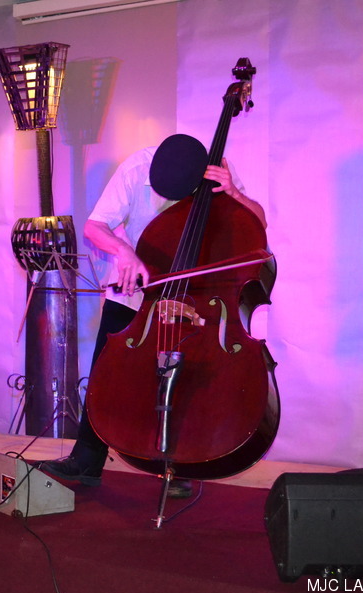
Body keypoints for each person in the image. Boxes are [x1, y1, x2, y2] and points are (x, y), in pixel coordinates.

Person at [39, 135, 266, 494]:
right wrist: (124, 251)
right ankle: (87, 459)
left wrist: (234, 193)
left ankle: (180, 464)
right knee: (108, 373)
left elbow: (258, 223)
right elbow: (95, 226)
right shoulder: (135, 169)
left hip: (195, 296)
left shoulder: (217, 170)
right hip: (137, 289)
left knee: (187, 381)